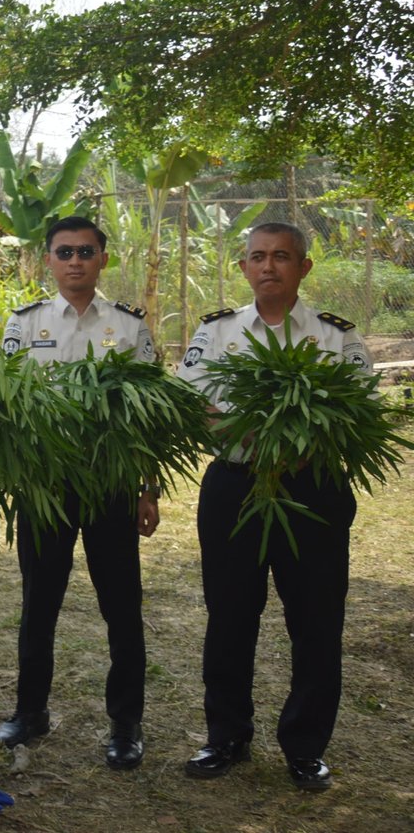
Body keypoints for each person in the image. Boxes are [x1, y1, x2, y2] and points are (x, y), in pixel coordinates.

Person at [176, 222, 370, 792]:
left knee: (315, 621)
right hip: (234, 488)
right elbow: (189, 405)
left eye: (282, 257)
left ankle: (306, 747)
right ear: (243, 268)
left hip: (313, 491)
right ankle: (226, 736)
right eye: (258, 257)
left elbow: (355, 414)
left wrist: (297, 446)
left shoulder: (336, 336)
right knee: (230, 617)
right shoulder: (216, 333)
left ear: (303, 267)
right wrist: (251, 432)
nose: (269, 266)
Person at [0, 216, 158, 770]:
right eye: (64, 252)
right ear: (49, 260)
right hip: (45, 485)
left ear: (103, 259)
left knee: (121, 607)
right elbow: (8, 407)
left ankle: (126, 724)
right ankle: (31, 710)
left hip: (110, 484)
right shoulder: (23, 324)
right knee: (39, 603)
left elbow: (148, 417)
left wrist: (147, 488)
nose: (75, 261)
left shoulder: (130, 327)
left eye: (86, 251)